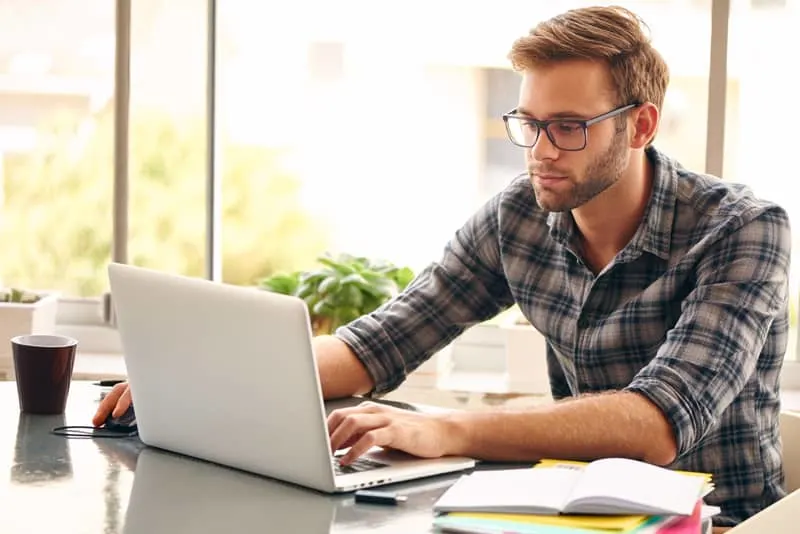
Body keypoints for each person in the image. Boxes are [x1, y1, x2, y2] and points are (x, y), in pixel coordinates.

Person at [94, 6, 790, 530]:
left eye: (569, 127)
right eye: (529, 122)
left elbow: (657, 424)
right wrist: (197, 383)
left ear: (639, 126)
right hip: (574, 515)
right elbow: (381, 342)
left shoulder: (743, 230)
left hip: (720, 521)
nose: (541, 150)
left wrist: (447, 427)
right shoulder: (517, 215)